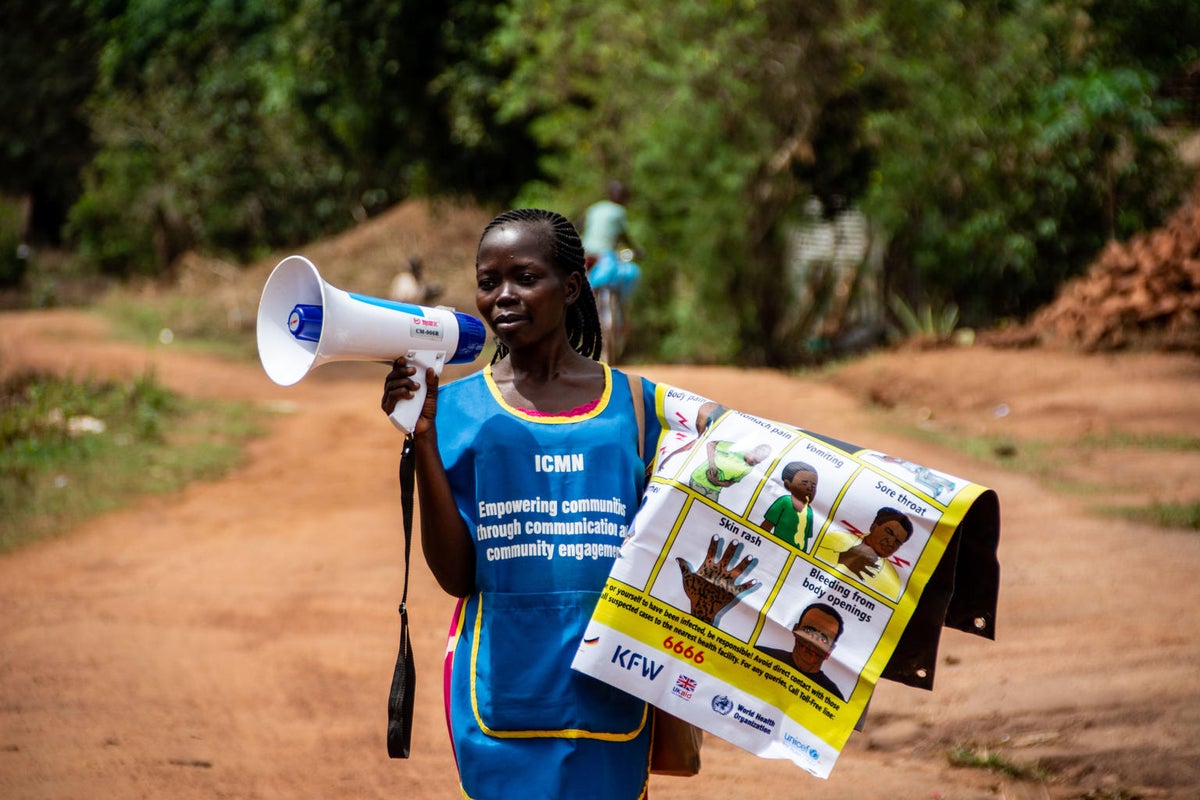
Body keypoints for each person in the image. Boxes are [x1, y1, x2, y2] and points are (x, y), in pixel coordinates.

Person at [381, 208, 661, 800]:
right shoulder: (454, 410)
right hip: (498, 684)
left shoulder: (638, 407)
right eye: (488, 282)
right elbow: (456, 576)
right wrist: (424, 439)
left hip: (611, 686)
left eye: (525, 277)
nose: (503, 296)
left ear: (572, 286)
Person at [814, 507, 914, 598]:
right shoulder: (835, 538)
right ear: (873, 527)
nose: (891, 543)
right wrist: (840, 557)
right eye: (889, 532)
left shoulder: (892, 583)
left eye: (898, 542)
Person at [757, 603, 847, 701]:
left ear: (830, 650)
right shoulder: (760, 656)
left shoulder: (833, 697)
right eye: (808, 632)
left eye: (823, 640)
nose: (813, 643)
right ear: (795, 630)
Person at [760, 462, 819, 551]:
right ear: (788, 485)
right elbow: (766, 526)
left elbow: (805, 538)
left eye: (813, 486)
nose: (809, 488)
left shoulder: (809, 511)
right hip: (775, 549)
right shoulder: (784, 502)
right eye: (804, 483)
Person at [687, 440, 772, 501]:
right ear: (752, 451)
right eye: (754, 460)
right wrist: (712, 464)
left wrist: (716, 482)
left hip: (714, 490)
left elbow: (730, 483)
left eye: (757, 462)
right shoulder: (737, 448)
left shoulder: (749, 468)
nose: (753, 463)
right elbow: (711, 444)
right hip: (698, 480)